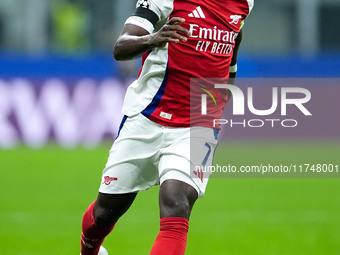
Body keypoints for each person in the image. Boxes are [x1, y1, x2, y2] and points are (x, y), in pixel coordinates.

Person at [80, 0, 254, 254]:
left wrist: (225, 91)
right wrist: (153, 38)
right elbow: (121, 47)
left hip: (198, 125)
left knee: (177, 204)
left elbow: (234, 39)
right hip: (147, 118)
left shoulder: (244, 3)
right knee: (105, 213)